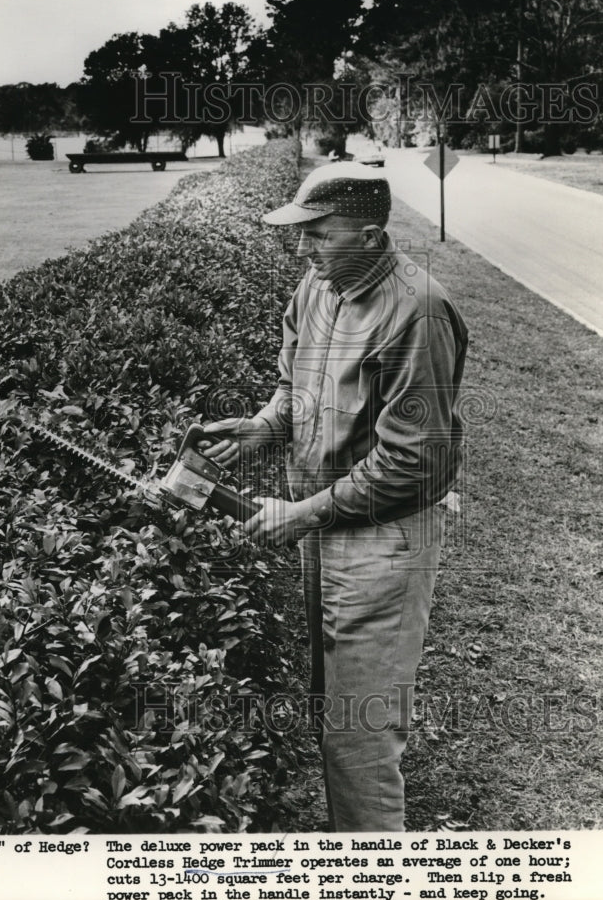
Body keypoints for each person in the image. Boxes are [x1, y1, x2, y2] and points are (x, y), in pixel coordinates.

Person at [200, 161, 469, 831]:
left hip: (384, 539)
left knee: (358, 736)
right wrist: (263, 427)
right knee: (332, 708)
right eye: (301, 234)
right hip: (322, 528)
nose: (303, 248)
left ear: (371, 236)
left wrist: (302, 513)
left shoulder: (419, 311)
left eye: (319, 233)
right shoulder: (318, 286)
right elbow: (295, 386)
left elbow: (411, 463)